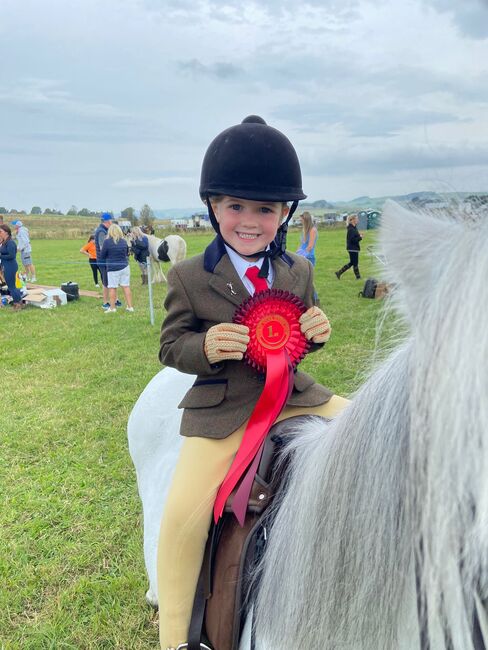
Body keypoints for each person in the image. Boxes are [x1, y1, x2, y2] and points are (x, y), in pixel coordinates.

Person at [156, 116, 337, 650]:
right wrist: (206, 348)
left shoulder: (298, 270)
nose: (251, 221)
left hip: (293, 396)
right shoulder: (188, 276)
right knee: (182, 517)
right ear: (213, 206)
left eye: (265, 209)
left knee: (372, 430)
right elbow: (171, 346)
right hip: (225, 410)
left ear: (285, 213)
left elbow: (305, 326)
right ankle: (174, 638)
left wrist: (318, 330)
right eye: (237, 206)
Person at [99, 223, 133, 313]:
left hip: (113, 268)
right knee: (126, 286)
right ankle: (130, 307)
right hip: (125, 267)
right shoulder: (124, 241)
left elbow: (102, 256)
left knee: (112, 288)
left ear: (110, 232)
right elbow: (126, 254)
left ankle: (112, 308)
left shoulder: (107, 242)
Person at [94, 213, 121, 309]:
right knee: (106, 282)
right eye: (111, 221)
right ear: (108, 221)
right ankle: (105, 302)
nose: (112, 222)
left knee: (112, 281)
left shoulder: (105, 230)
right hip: (103, 261)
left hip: (107, 260)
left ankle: (115, 300)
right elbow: (102, 248)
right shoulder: (101, 232)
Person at [0, 225, 25, 310]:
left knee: (11, 287)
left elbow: (12, 255)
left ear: (6, 232)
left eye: (1, 232)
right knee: (12, 286)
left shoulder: (10, 242)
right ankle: (19, 302)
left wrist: (0, 256)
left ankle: (17, 304)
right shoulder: (4, 242)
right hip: (6, 266)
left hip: (11, 266)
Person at [335, 213, 363, 279]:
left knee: (352, 263)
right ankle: (358, 277)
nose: (358, 220)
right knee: (354, 263)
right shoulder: (351, 229)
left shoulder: (353, 228)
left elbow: (354, 238)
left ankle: (339, 273)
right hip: (352, 248)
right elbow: (353, 240)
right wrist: (360, 237)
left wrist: (359, 236)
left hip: (354, 248)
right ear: (352, 220)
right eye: (356, 219)